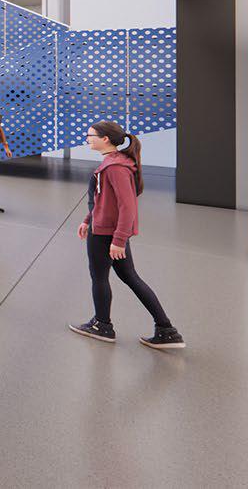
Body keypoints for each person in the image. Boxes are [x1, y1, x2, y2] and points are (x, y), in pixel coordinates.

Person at [70, 121, 185, 350]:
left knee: (100, 277)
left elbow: (128, 207)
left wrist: (119, 240)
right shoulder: (114, 163)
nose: (87, 138)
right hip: (103, 228)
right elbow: (104, 201)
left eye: (91, 135)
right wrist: (87, 219)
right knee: (129, 276)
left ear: (105, 139)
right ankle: (166, 329)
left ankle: (102, 325)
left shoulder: (116, 167)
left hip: (105, 233)